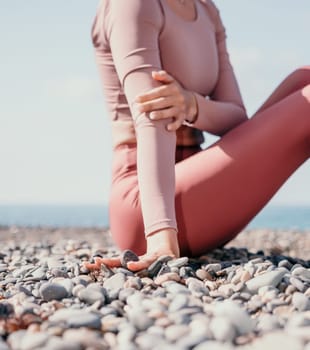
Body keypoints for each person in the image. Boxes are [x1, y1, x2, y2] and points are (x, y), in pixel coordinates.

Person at [85, 0, 310, 272]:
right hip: (146, 206)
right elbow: (153, 117)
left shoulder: (206, 10)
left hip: (197, 184)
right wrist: (161, 239)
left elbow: (236, 118)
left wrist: (192, 105)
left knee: (303, 78)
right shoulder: (134, 5)